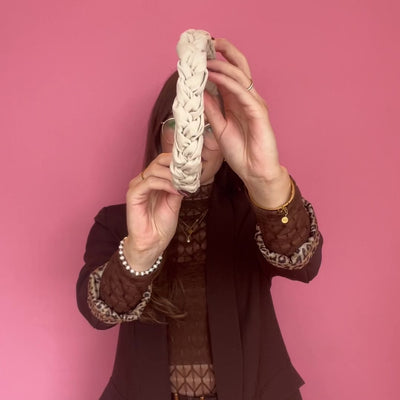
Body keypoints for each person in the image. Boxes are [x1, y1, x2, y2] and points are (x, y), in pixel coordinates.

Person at [76, 37, 323, 400]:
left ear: (229, 139)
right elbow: (98, 314)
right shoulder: (117, 222)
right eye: (177, 122)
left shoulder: (251, 212)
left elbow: (304, 264)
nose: (193, 138)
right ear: (159, 133)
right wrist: (140, 252)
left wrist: (267, 182)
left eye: (210, 127)